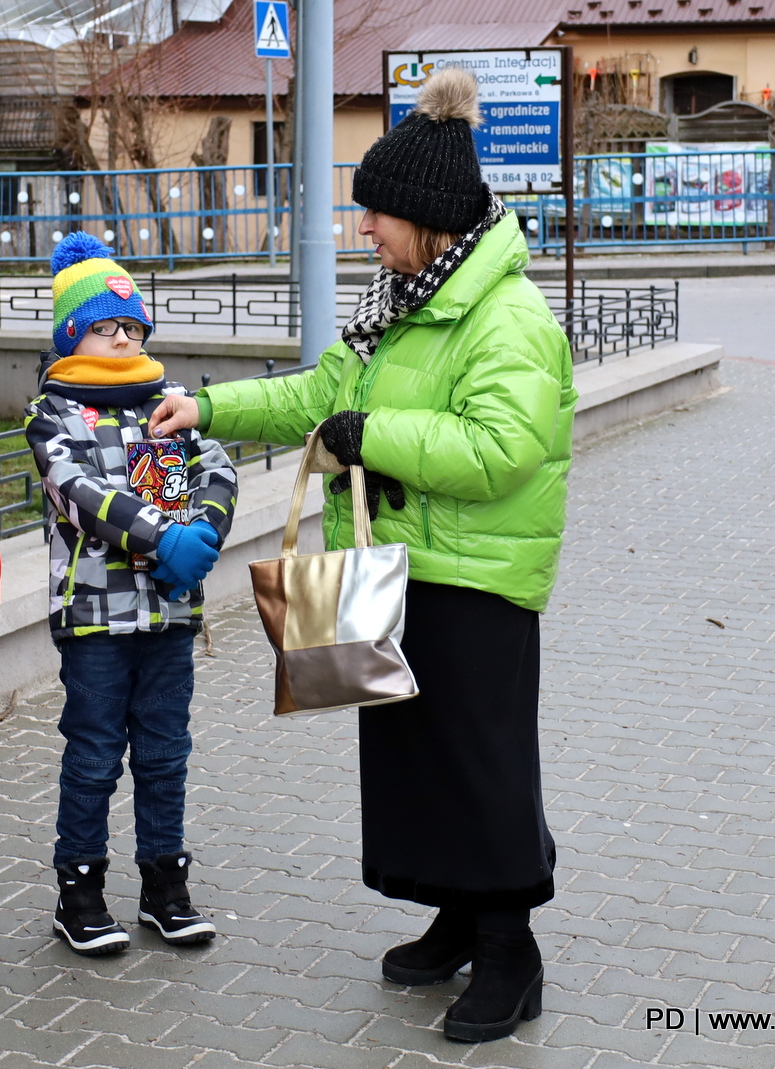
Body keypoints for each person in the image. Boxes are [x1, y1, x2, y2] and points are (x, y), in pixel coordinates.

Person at [150, 67, 576, 1043]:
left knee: (479, 762)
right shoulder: (398, 304)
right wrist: (207, 408)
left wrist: (370, 434)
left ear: (426, 217)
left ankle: (512, 953)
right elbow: (316, 398)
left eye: (375, 214)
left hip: (475, 577)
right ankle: (460, 914)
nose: (362, 231)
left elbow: (496, 452)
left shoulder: (506, 319)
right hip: (398, 562)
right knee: (415, 758)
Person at [25, 233, 238, 956]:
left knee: (164, 751)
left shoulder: (165, 403)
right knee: (92, 755)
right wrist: (158, 537)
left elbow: (217, 465)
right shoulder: (54, 414)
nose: (122, 338)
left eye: (132, 327)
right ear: (72, 334)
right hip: (95, 621)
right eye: (105, 327)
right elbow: (78, 493)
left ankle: (165, 885)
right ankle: (78, 891)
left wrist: (201, 535)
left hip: (170, 614)